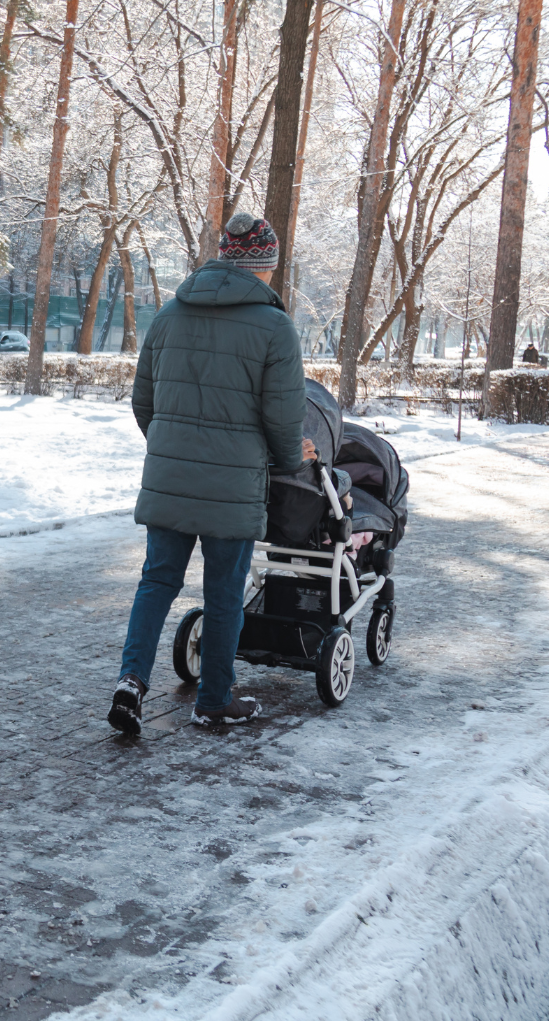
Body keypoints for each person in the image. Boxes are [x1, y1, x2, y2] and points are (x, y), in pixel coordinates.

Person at [108, 212, 308, 734]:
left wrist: (173, 449)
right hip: (234, 484)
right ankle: (214, 700)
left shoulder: (170, 314)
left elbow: (143, 401)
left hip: (170, 477)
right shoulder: (274, 327)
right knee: (223, 594)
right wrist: (292, 460)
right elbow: (283, 418)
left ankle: (131, 682)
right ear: (266, 264)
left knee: (156, 582)